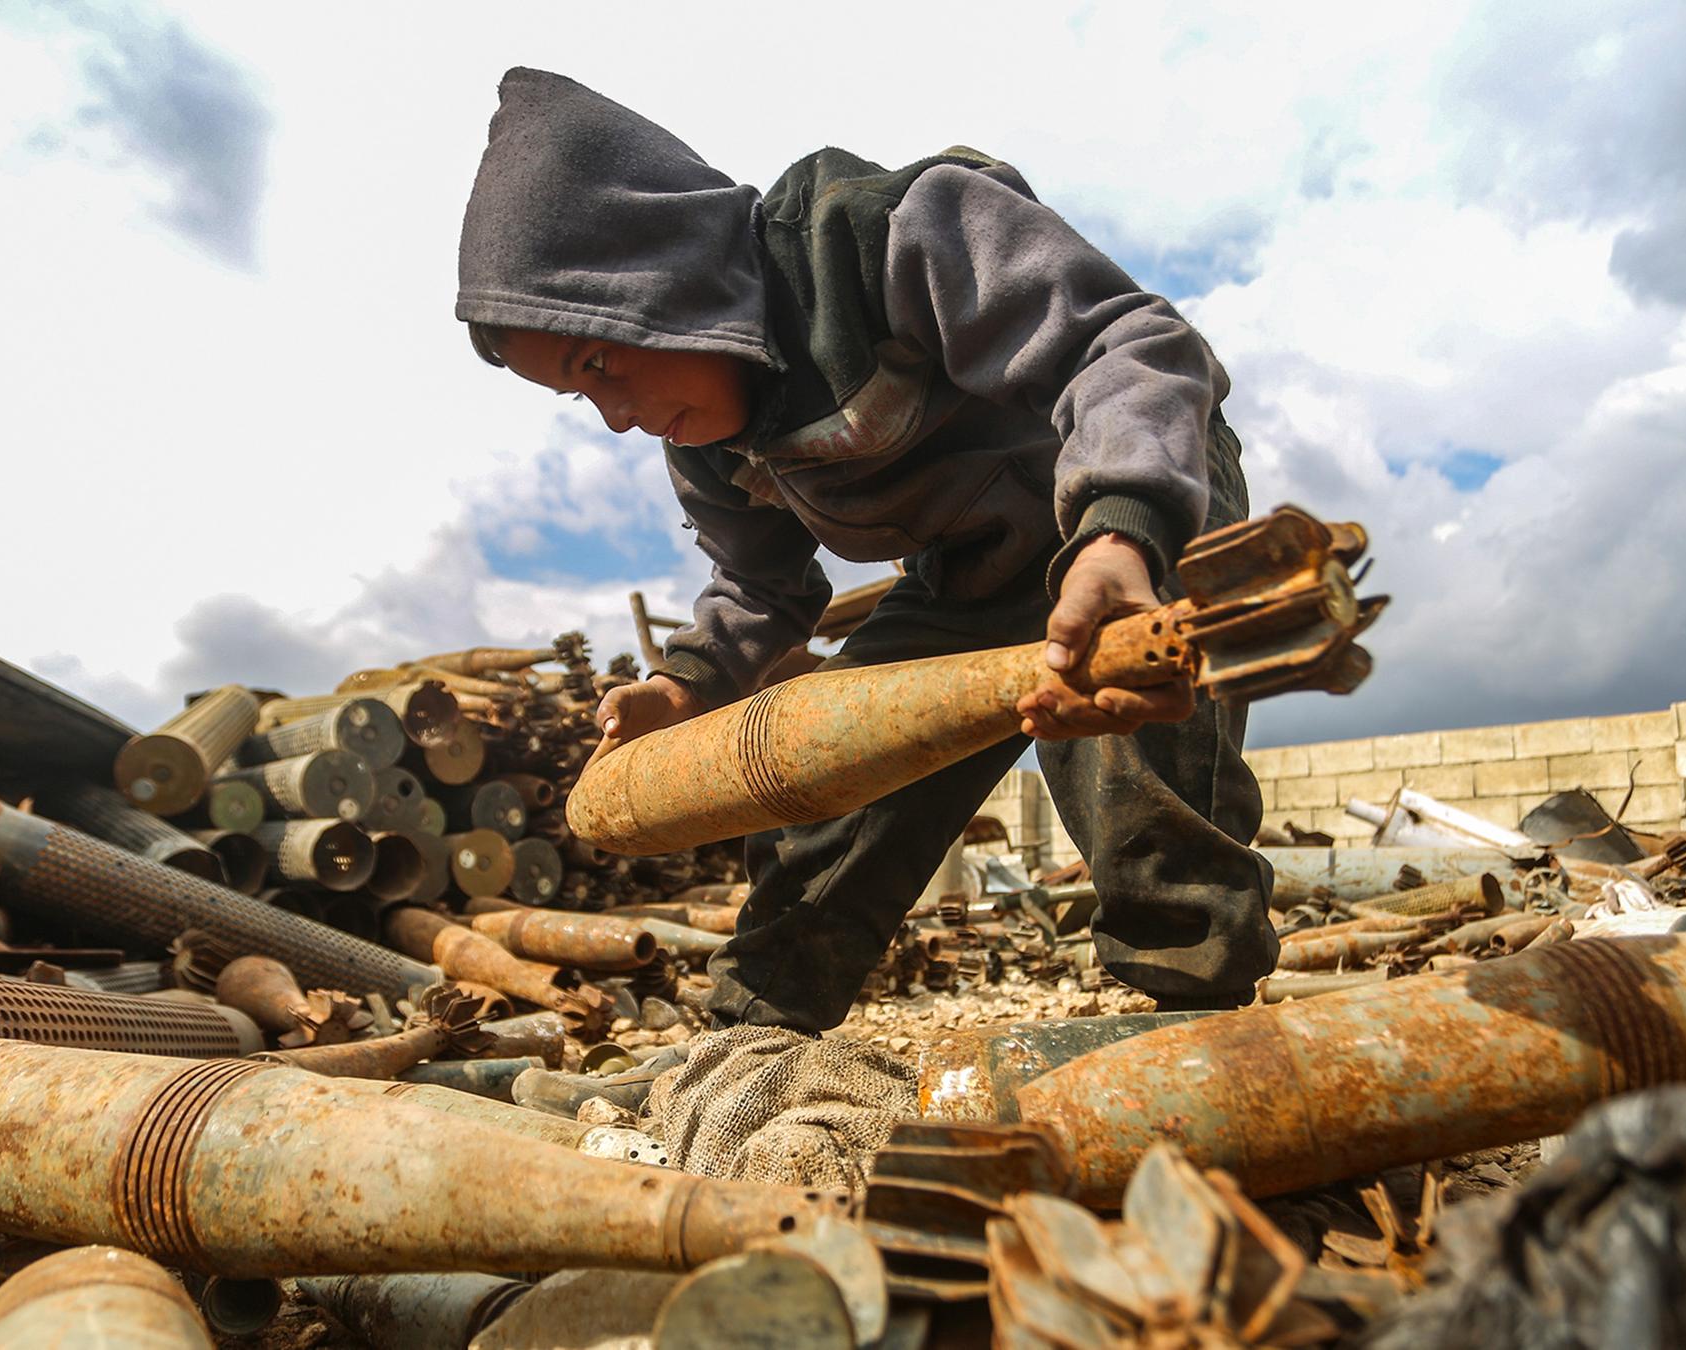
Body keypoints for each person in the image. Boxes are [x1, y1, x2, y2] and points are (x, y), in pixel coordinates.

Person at [456, 68, 1276, 1032]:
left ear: (666, 281)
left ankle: (1201, 1034)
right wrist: (687, 684)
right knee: (829, 814)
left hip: (1132, 504)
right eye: (578, 396)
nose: (617, 416)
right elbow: (758, 585)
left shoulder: (884, 239)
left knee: (1136, 777)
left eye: (603, 361)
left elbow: (1129, 346)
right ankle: (755, 1042)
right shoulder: (712, 442)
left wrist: (1119, 531)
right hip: (969, 575)